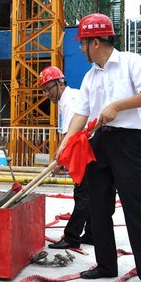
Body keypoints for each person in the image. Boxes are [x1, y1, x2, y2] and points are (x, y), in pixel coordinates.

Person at [57, 13, 141, 282]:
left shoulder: (131, 62)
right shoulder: (91, 77)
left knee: (136, 205)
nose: (80, 49)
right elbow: (81, 114)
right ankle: (105, 264)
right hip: (99, 143)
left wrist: (117, 106)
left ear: (95, 42)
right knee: (98, 205)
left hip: (127, 142)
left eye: (82, 44)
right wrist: (65, 144)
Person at [39, 66, 93, 250]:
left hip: (87, 149)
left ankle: (72, 237)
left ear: (60, 83)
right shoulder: (66, 99)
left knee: (82, 194)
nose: (47, 94)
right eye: (44, 90)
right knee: (91, 194)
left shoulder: (69, 100)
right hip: (86, 148)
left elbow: (71, 133)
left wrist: (60, 159)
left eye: (49, 88)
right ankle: (92, 234)